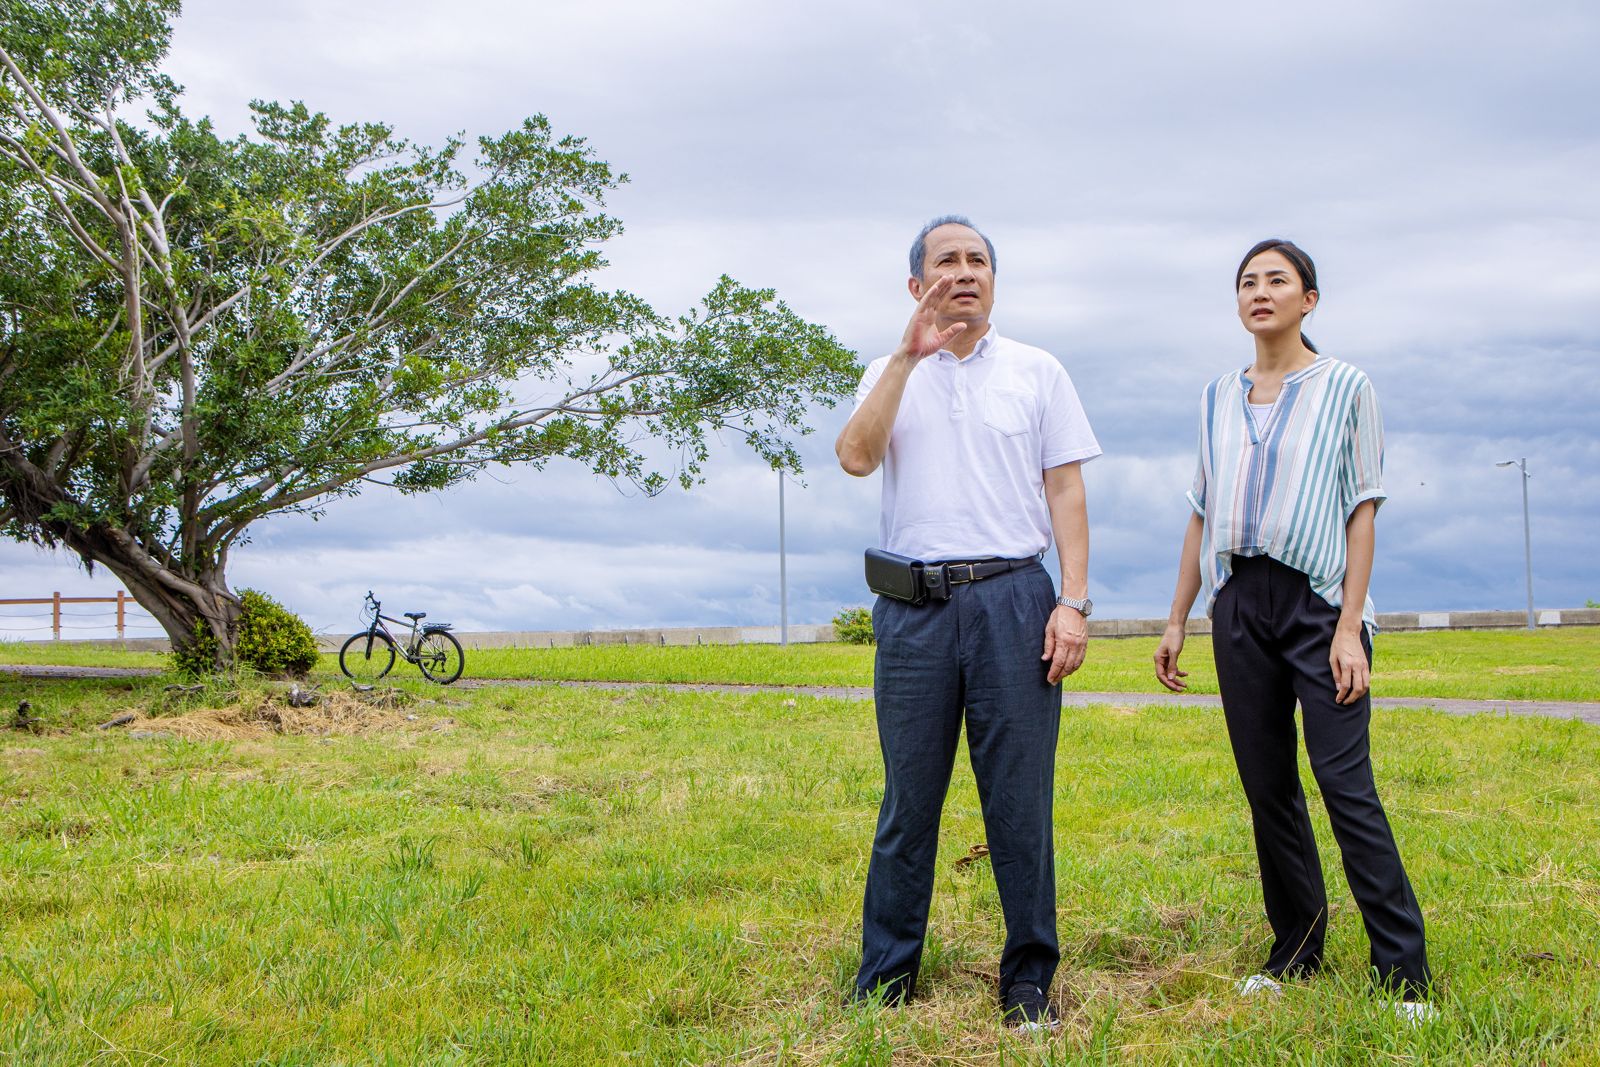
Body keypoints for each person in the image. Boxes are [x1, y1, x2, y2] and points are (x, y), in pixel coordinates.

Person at [1153, 239, 1433, 1018]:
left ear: (1310, 298)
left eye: (1277, 279)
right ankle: (1296, 948)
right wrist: (1177, 619)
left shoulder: (1346, 386)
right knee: (1268, 786)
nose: (1260, 291)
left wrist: (1349, 627)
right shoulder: (1217, 394)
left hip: (1318, 600)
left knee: (1346, 784)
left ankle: (1403, 971)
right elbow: (1200, 511)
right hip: (1238, 600)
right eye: (1247, 281)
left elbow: (1362, 507)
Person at [835, 215, 1101, 1030]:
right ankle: (887, 977)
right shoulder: (889, 370)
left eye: (978, 259)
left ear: (995, 279)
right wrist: (907, 359)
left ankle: (1028, 984)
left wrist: (1074, 600)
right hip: (913, 612)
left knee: (1019, 802)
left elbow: (1065, 491)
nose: (965, 271)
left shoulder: (1037, 370)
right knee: (908, 802)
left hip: (1014, 600)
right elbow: (855, 455)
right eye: (946, 261)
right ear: (917, 285)